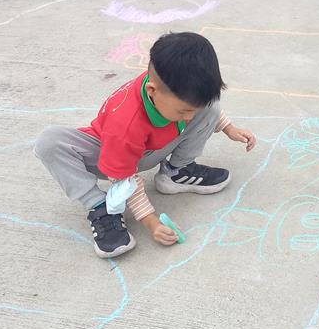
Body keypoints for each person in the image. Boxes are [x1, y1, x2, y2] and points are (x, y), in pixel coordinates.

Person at [34, 32, 257, 258]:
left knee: (210, 106)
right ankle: (100, 206)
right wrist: (151, 223)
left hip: (150, 148)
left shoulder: (170, 87)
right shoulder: (125, 125)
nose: (189, 118)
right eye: (183, 112)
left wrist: (229, 128)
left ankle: (176, 172)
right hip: (110, 155)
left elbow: (201, 107)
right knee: (49, 142)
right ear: (152, 91)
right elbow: (125, 180)